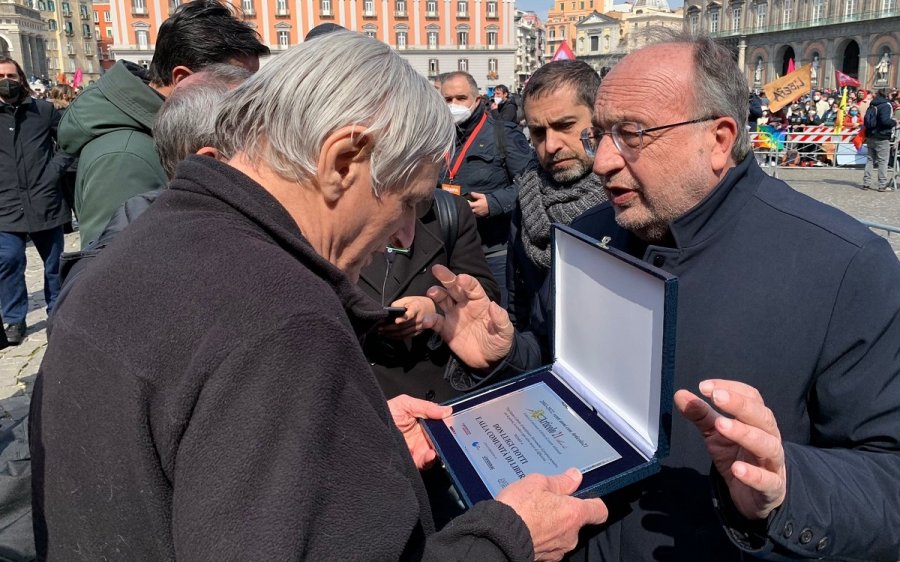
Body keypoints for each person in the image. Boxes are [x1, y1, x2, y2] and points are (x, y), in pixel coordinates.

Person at [31, 33, 607, 561]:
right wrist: (505, 541)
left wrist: (354, 434)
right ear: (343, 161)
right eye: (408, 202)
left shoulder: (150, 240)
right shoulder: (282, 317)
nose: (405, 233)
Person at [423, 31, 900, 561]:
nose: (602, 161)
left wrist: (785, 489)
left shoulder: (846, 265)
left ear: (718, 139)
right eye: (599, 134)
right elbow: (556, 364)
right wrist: (507, 354)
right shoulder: (589, 231)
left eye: (631, 134)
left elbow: (888, 476)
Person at [59, 0, 268, 248]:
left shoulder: (177, 131)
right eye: (241, 86)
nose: (249, 100)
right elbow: (119, 261)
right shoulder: (124, 158)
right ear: (184, 80)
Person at [507, 60, 606, 336]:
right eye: (538, 132)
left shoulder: (628, 195)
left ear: (599, 120)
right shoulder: (526, 195)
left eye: (565, 126)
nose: (550, 146)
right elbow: (516, 294)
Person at [439, 71, 535, 307]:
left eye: (461, 98)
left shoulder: (504, 134)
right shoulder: (438, 137)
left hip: (495, 252)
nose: (454, 105)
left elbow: (531, 182)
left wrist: (493, 203)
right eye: (447, 99)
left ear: (477, 100)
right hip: (452, 253)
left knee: (497, 318)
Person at [0, 57, 72, 345]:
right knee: (9, 260)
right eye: (1, 76)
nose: (6, 81)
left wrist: (53, 172)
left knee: (54, 264)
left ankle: (57, 311)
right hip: (5, 203)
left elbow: (68, 141)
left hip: (45, 200)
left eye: (11, 75)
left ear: (21, 78)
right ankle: (14, 319)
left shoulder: (43, 110)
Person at [862, 88, 897, 192]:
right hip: (882, 135)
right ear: (887, 95)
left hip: (870, 135)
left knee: (870, 160)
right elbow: (885, 121)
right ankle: (882, 185)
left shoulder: (873, 104)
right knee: (883, 161)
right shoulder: (886, 105)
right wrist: (894, 122)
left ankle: (866, 183)